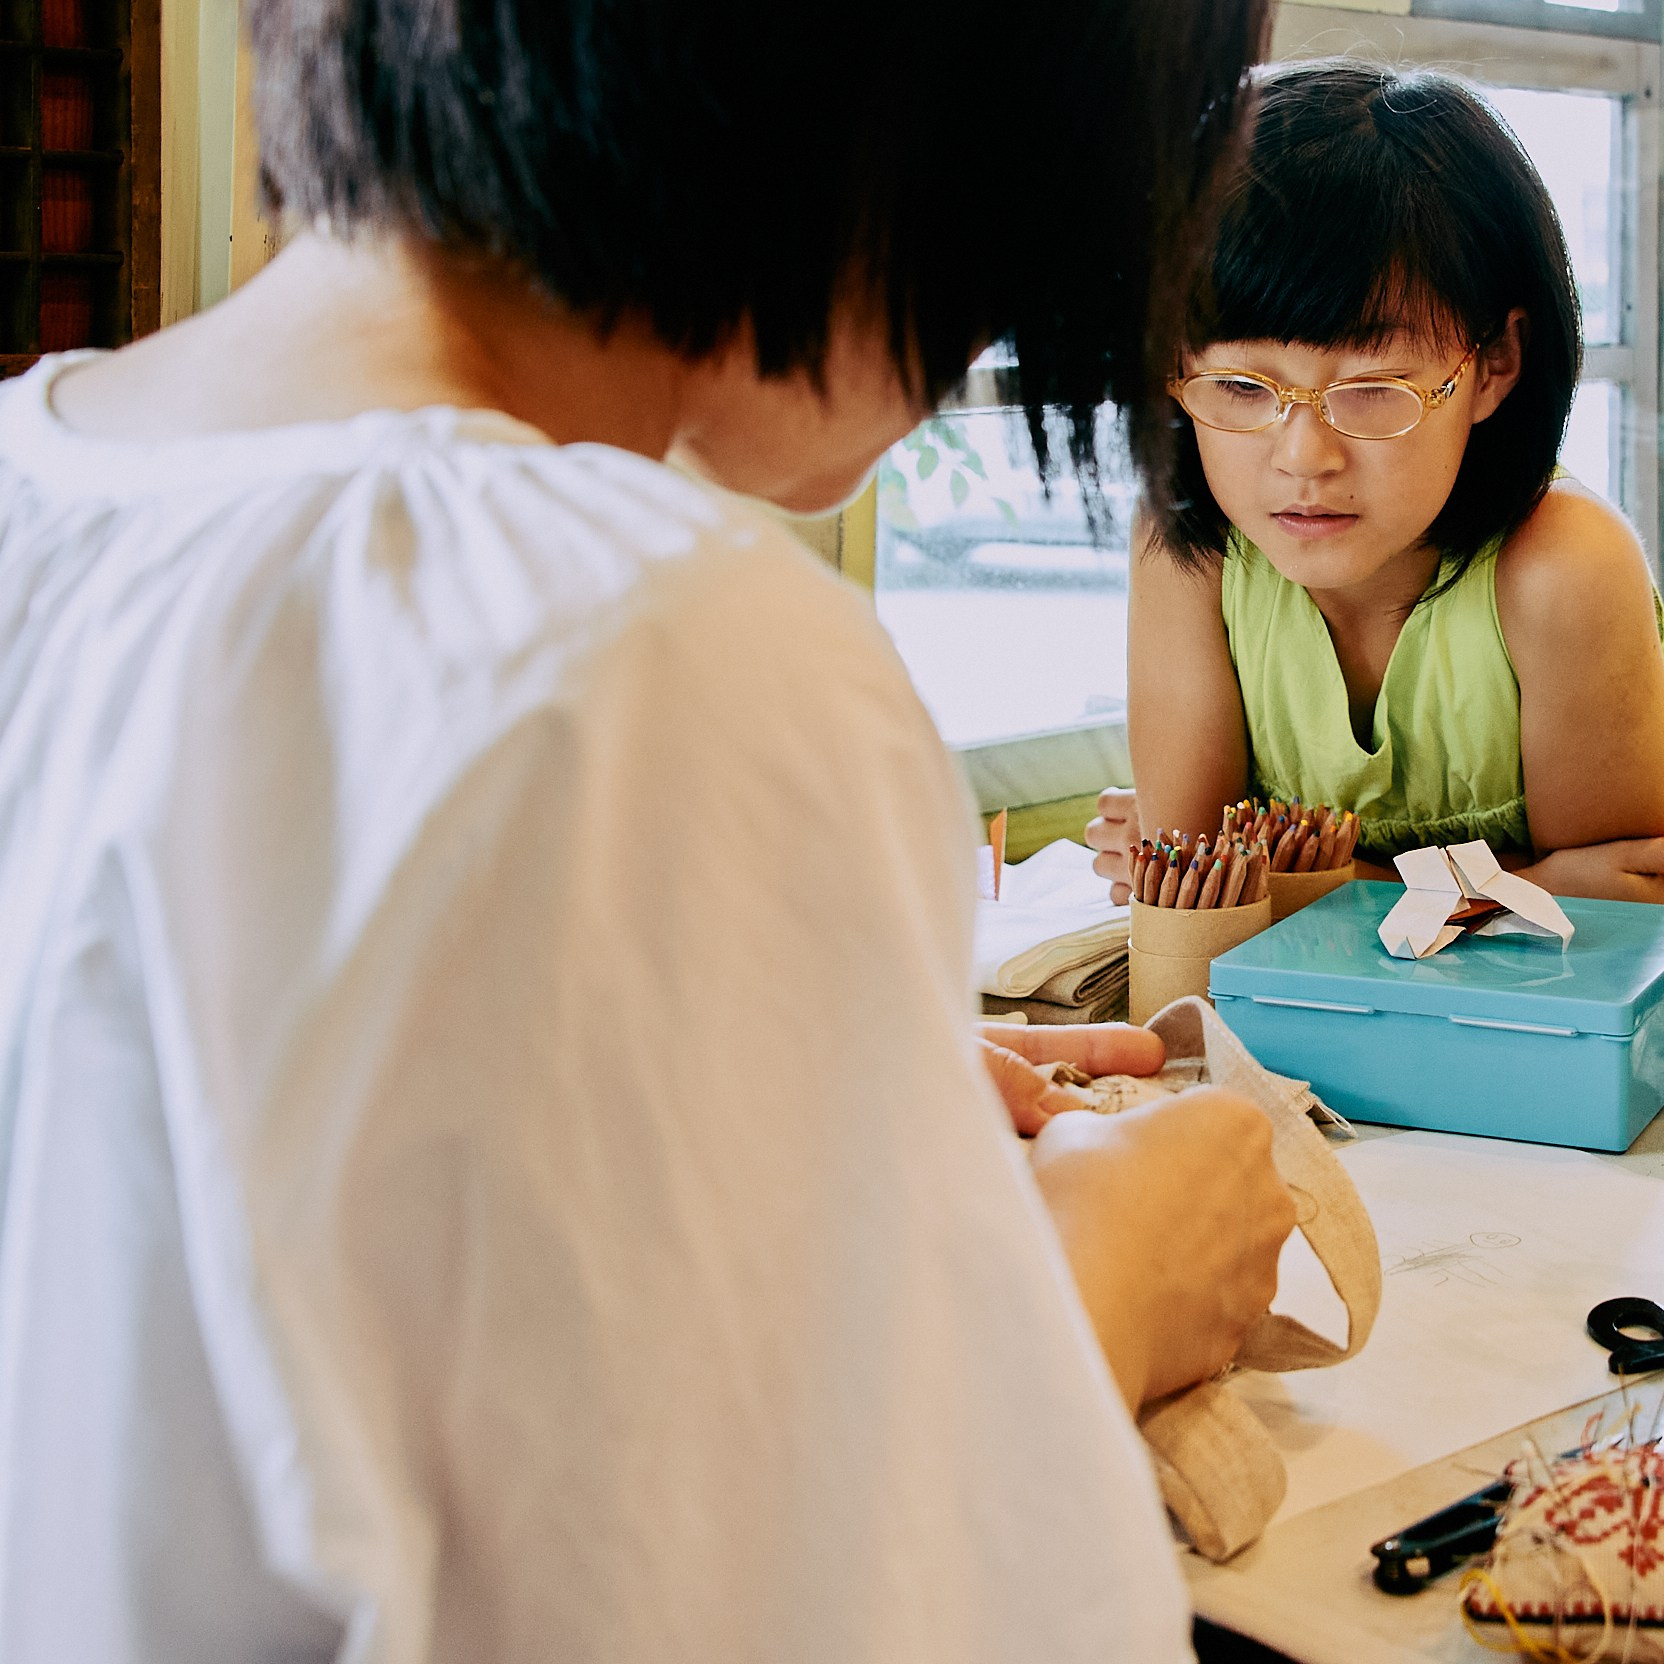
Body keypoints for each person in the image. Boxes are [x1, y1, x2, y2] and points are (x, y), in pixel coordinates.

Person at [0, 1, 1298, 1659]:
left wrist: (793, 1116)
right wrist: (1092, 1282)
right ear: (920, 123)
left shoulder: (41, 492)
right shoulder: (631, 640)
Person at [1086, 61, 1664, 943]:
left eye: (1373, 389)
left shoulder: (1563, 565)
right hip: (1364, 1011)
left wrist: (1283, 880)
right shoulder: (1186, 542)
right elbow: (1206, 903)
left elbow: (1614, 928)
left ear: (1493, 364)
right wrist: (1525, 887)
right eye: (1241, 387)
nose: (1303, 459)